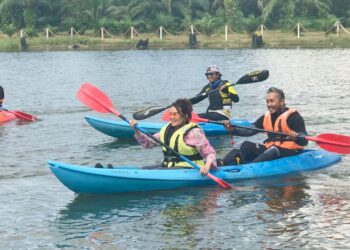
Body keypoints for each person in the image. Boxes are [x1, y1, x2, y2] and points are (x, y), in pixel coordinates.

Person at [221, 87, 308, 165]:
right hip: (270, 149)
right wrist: (232, 129)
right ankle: (222, 163)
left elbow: (304, 140)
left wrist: (297, 136)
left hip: (290, 150)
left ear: (282, 101)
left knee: (274, 149)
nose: (269, 104)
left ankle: (250, 167)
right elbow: (249, 130)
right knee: (247, 145)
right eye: (267, 101)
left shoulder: (293, 117)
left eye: (272, 101)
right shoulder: (266, 117)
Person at [130, 98, 217, 175]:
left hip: (190, 169)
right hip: (169, 167)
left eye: (175, 114)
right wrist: (136, 130)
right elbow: (148, 144)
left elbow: (210, 153)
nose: (171, 117)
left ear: (185, 116)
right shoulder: (167, 129)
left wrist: (207, 166)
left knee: (150, 172)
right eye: (170, 114)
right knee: (144, 169)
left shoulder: (193, 132)